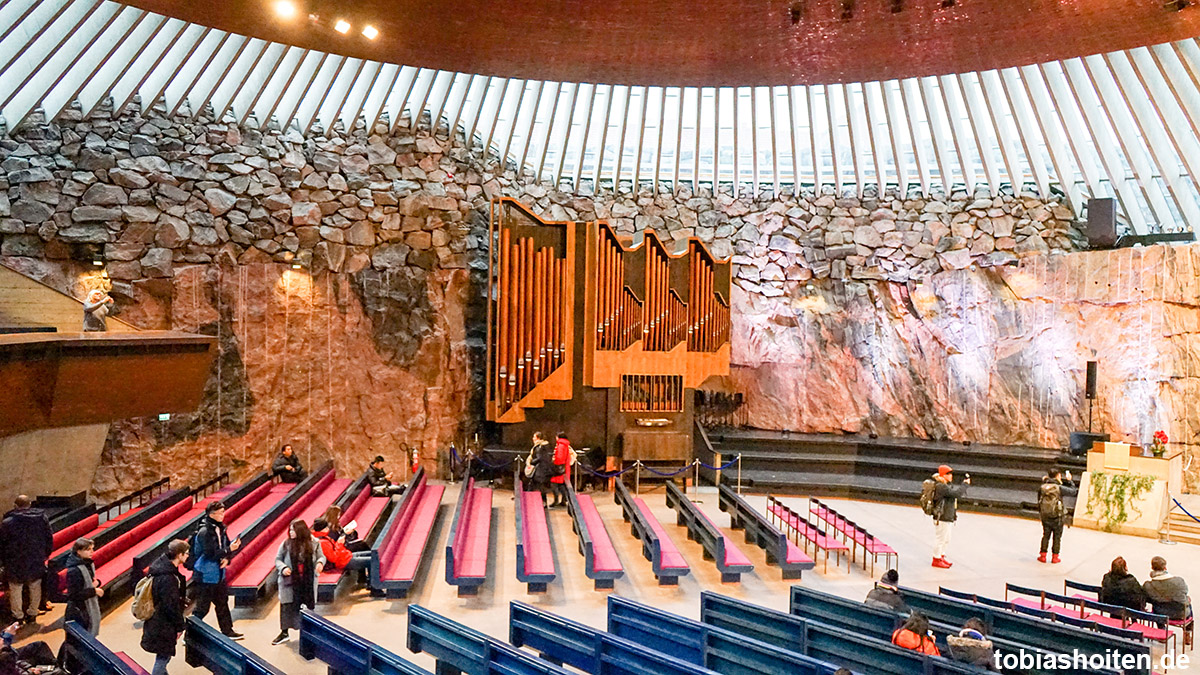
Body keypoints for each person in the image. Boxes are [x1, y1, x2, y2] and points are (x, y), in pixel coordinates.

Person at [189, 500, 243, 640]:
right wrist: (229, 550)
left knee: (222, 603)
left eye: (223, 512)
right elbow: (209, 553)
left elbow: (224, 546)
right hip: (205, 574)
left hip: (218, 573)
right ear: (211, 514)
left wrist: (228, 557)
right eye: (220, 513)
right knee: (202, 607)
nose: (222, 515)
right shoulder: (204, 531)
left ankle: (227, 631)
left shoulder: (220, 528)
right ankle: (189, 634)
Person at [272, 520, 325, 646]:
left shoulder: (314, 543)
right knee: (287, 606)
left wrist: (320, 563)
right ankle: (284, 633)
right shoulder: (286, 544)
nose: (291, 532)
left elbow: (321, 557)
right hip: (291, 581)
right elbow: (278, 559)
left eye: (293, 530)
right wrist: (283, 568)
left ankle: (310, 633)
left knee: (308, 606)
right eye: (290, 530)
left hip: (307, 581)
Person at [0, 496, 52, 625]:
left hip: (14, 560)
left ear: (15, 505)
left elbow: (2, 544)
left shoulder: (7, 522)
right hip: (36, 558)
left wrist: (3, 561)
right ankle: (32, 613)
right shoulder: (41, 518)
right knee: (35, 586)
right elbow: (48, 537)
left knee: (16, 588)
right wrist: (45, 554)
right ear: (30, 504)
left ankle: (18, 616)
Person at [141, 540, 190, 675]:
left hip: (158, 620)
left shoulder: (161, 569)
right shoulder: (168, 578)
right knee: (163, 657)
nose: (187, 556)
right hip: (163, 623)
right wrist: (180, 626)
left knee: (163, 655)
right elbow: (171, 605)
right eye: (186, 553)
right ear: (179, 555)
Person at [930, 465, 969, 568]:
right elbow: (956, 494)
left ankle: (941, 556)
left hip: (947, 516)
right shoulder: (941, 486)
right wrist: (964, 485)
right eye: (949, 474)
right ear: (943, 475)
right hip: (941, 516)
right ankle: (936, 558)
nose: (951, 476)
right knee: (940, 539)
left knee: (946, 539)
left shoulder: (945, 485)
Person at [63, 537, 103, 637]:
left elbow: (89, 582)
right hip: (78, 612)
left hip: (85, 607)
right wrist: (94, 591)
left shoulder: (87, 564)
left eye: (92, 549)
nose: (92, 552)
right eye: (88, 549)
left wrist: (97, 583)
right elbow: (73, 595)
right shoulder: (74, 571)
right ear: (79, 551)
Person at [1036, 468, 1076, 564]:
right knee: (1057, 537)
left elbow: (1039, 500)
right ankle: (1055, 557)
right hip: (1057, 516)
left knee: (1046, 535)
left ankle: (1043, 555)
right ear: (1058, 476)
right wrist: (1070, 480)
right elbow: (1073, 492)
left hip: (1045, 515)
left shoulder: (1042, 487)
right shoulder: (1059, 488)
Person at [1143, 556, 1191, 620]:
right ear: (1165, 567)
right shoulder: (1179, 581)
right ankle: (1188, 628)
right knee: (1187, 599)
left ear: (1152, 568)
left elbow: (1148, 599)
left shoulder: (1148, 586)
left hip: (1160, 614)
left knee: (1156, 605)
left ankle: (1161, 628)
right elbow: (1185, 592)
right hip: (1180, 613)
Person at [527, 432, 554, 504]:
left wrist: (532, 462)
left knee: (536, 485)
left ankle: (529, 500)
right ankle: (543, 501)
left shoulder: (539, 447)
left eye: (534, 437)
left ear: (538, 438)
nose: (533, 438)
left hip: (540, 469)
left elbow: (539, 458)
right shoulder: (546, 445)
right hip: (544, 468)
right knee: (538, 485)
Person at [548, 432, 573, 508]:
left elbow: (559, 458)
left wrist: (554, 464)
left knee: (554, 484)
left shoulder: (560, 446)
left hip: (559, 469)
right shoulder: (565, 445)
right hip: (564, 468)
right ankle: (563, 500)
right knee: (562, 485)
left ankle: (556, 500)